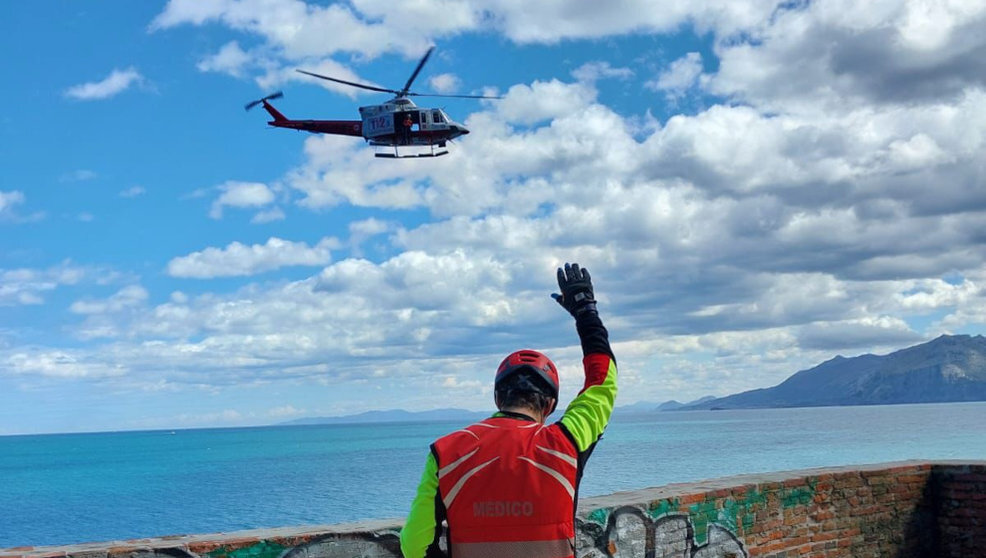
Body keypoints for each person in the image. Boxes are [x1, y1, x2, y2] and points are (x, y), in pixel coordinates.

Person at [400, 263, 618, 558]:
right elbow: (601, 382)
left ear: (496, 397)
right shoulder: (566, 442)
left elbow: (414, 545)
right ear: (550, 405)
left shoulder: (446, 452)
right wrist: (586, 312)